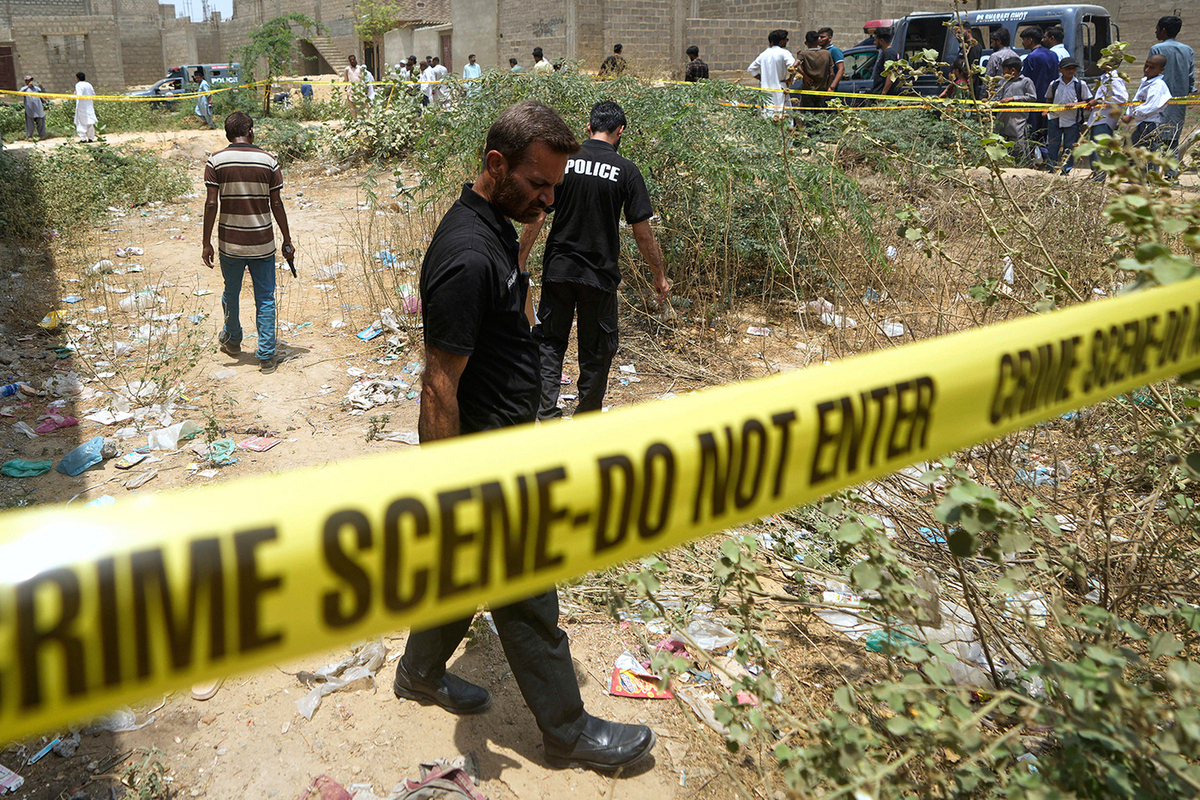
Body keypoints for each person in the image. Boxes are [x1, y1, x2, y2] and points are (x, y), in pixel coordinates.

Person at [399, 99, 657, 772]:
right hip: (483, 459)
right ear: (496, 164)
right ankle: (567, 732)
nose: (548, 197)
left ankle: (419, 673)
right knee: (526, 590)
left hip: (506, 439)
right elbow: (437, 386)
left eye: (554, 188)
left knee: (460, 573)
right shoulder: (465, 256)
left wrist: (533, 223)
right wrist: (450, 486)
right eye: (538, 184)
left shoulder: (494, 230)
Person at [517, 100, 669, 420]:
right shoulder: (627, 171)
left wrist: (519, 261)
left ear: (588, 128)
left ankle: (546, 419)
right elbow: (642, 233)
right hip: (598, 277)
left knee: (549, 346)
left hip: (558, 271)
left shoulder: (565, 161)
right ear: (620, 131)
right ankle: (586, 422)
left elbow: (538, 216)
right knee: (597, 354)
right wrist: (659, 275)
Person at [202, 111, 293, 374]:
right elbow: (276, 203)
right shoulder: (269, 161)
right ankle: (265, 355)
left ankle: (232, 340)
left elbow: (211, 203)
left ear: (228, 134)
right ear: (250, 131)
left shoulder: (216, 161)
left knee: (231, 292)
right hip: (262, 242)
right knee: (265, 297)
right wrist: (287, 239)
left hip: (230, 243)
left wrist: (206, 242)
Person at [1149, 15, 1195, 159]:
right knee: (1173, 138)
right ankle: (1171, 176)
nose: (1155, 32)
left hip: (1158, 100)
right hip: (1178, 101)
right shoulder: (1188, 50)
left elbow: (1150, 73)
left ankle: (1153, 174)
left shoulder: (1156, 49)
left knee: (1154, 137)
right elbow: (1190, 78)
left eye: (1157, 29)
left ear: (1163, 30)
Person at [1043, 57, 1091, 173]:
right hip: (1055, 117)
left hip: (1072, 119)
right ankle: (1051, 167)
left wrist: (1075, 104)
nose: (1070, 71)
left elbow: (1087, 101)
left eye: (1073, 69)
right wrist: (1046, 110)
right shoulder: (1054, 84)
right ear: (1060, 70)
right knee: (1053, 144)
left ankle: (1066, 169)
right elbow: (1049, 99)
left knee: (1069, 146)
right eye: (1068, 69)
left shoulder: (1080, 84)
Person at [1123, 54, 1173, 150]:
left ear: (1161, 70)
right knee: (1129, 156)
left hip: (1145, 125)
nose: (1147, 70)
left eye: (1152, 68)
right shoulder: (1146, 82)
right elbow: (1138, 102)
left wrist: (1131, 116)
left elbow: (1150, 106)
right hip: (1137, 123)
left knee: (1146, 157)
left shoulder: (1157, 85)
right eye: (1146, 66)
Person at [1085, 65, 1128, 175]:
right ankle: (1096, 175)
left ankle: (1099, 176)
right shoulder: (1105, 78)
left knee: (1101, 148)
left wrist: (1099, 101)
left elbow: (1122, 98)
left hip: (1105, 119)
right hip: (1099, 117)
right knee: (1095, 147)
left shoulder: (1115, 79)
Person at [994, 56, 1037, 164]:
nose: (1003, 72)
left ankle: (1025, 165)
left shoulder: (1026, 82)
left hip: (1018, 120)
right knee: (1001, 144)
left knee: (1019, 145)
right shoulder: (1005, 83)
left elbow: (1032, 97)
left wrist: (1013, 99)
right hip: (1003, 119)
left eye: (1005, 70)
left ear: (1013, 70)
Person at [1021, 26, 1059, 146]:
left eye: (1023, 39)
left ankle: (1035, 158)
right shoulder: (1053, 55)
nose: (1022, 43)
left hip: (1035, 100)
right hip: (1051, 99)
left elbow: (1026, 81)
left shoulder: (1031, 58)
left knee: (1034, 132)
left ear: (1030, 40)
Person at [748, 29, 796, 118]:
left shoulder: (764, 54)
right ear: (781, 41)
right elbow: (793, 66)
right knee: (783, 115)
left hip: (765, 89)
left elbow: (752, 69)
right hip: (781, 88)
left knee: (767, 114)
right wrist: (790, 79)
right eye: (786, 39)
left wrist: (764, 79)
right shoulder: (784, 53)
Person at [794, 31, 834, 109]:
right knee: (819, 117)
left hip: (807, 90)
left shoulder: (803, 54)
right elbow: (831, 74)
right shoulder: (827, 53)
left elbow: (794, 66)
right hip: (821, 90)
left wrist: (805, 76)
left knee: (808, 116)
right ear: (818, 41)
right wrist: (827, 87)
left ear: (806, 43)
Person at [984, 29, 1019, 96]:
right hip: (1012, 95)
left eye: (992, 42)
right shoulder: (1016, 56)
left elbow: (988, 79)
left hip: (997, 96)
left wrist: (982, 97)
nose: (991, 45)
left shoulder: (995, 56)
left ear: (999, 41)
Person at [871, 28, 902, 97]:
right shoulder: (885, 53)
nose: (874, 42)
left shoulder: (889, 53)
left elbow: (891, 74)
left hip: (887, 95)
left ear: (881, 41)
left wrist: (883, 93)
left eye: (875, 40)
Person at [817, 28, 845, 93]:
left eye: (822, 37)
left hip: (829, 88)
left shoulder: (834, 50)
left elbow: (841, 69)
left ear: (830, 38)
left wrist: (832, 87)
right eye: (818, 37)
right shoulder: (819, 51)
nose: (819, 39)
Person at [19, 76, 46, 140]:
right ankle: (30, 136)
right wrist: (28, 86)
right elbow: (19, 93)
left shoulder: (36, 88)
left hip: (38, 107)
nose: (30, 81)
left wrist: (41, 86)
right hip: (29, 108)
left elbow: (44, 92)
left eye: (31, 80)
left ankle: (41, 135)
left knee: (40, 121)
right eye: (28, 80)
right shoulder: (24, 89)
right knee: (30, 123)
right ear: (26, 81)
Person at [74, 71, 97, 142]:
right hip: (89, 105)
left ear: (77, 78)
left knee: (81, 122)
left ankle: (83, 138)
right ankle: (91, 138)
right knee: (90, 123)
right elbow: (93, 94)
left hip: (81, 106)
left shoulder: (78, 85)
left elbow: (79, 95)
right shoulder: (89, 84)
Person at [343, 54, 364, 119]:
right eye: (351, 60)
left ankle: (362, 118)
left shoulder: (360, 68)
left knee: (361, 105)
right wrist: (346, 87)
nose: (352, 61)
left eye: (353, 59)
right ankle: (355, 119)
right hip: (351, 90)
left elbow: (363, 78)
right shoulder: (347, 69)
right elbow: (346, 79)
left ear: (356, 60)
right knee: (352, 106)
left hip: (359, 90)